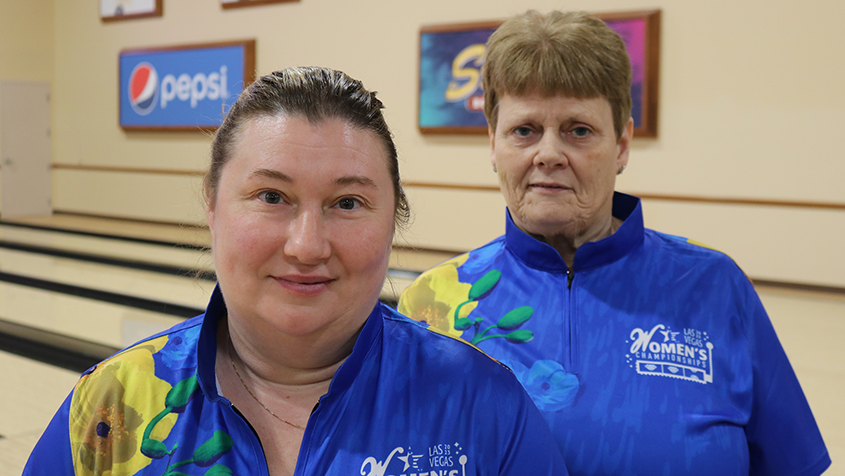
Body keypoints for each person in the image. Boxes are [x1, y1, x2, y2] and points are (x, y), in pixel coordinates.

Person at [23, 66, 567, 476]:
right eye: (271, 196)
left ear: (393, 218)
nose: (307, 246)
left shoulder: (483, 404)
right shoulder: (112, 407)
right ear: (212, 205)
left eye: (348, 203)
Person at [398, 10, 830, 476]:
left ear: (622, 143)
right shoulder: (430, 307)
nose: (548, 154)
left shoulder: (714, 286)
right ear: (493, 143)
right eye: (524, 131)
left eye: (578, 130)